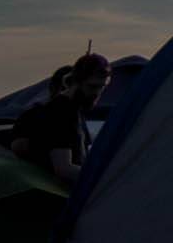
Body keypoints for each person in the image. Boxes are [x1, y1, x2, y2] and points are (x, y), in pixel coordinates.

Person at [10, 53, 110, 183]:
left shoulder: (73, 111)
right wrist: (105, 180)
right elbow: (64, 169)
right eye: (92, 86)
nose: (97, 93)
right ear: (76, 81)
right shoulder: (61, 112)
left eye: (102, 87)